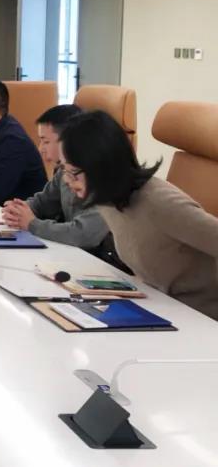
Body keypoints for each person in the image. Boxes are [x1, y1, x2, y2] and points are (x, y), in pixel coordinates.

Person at [60, 110, 218, 320]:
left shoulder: (160, 204)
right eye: (64, 170)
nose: (67, 180)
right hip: (161, 305)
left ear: (100, 165)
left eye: (73, 173)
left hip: (201, 318)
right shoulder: (107, 200)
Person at [2, 105, 123, 268]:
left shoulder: (103, 175)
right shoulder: (64, 171)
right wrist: (18, 210)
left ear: (67, 141)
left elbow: (83, 235)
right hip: (75, 257)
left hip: (104, 265)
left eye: (45, 141)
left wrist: (32, 224)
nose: (40, 148)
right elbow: (44, 202)